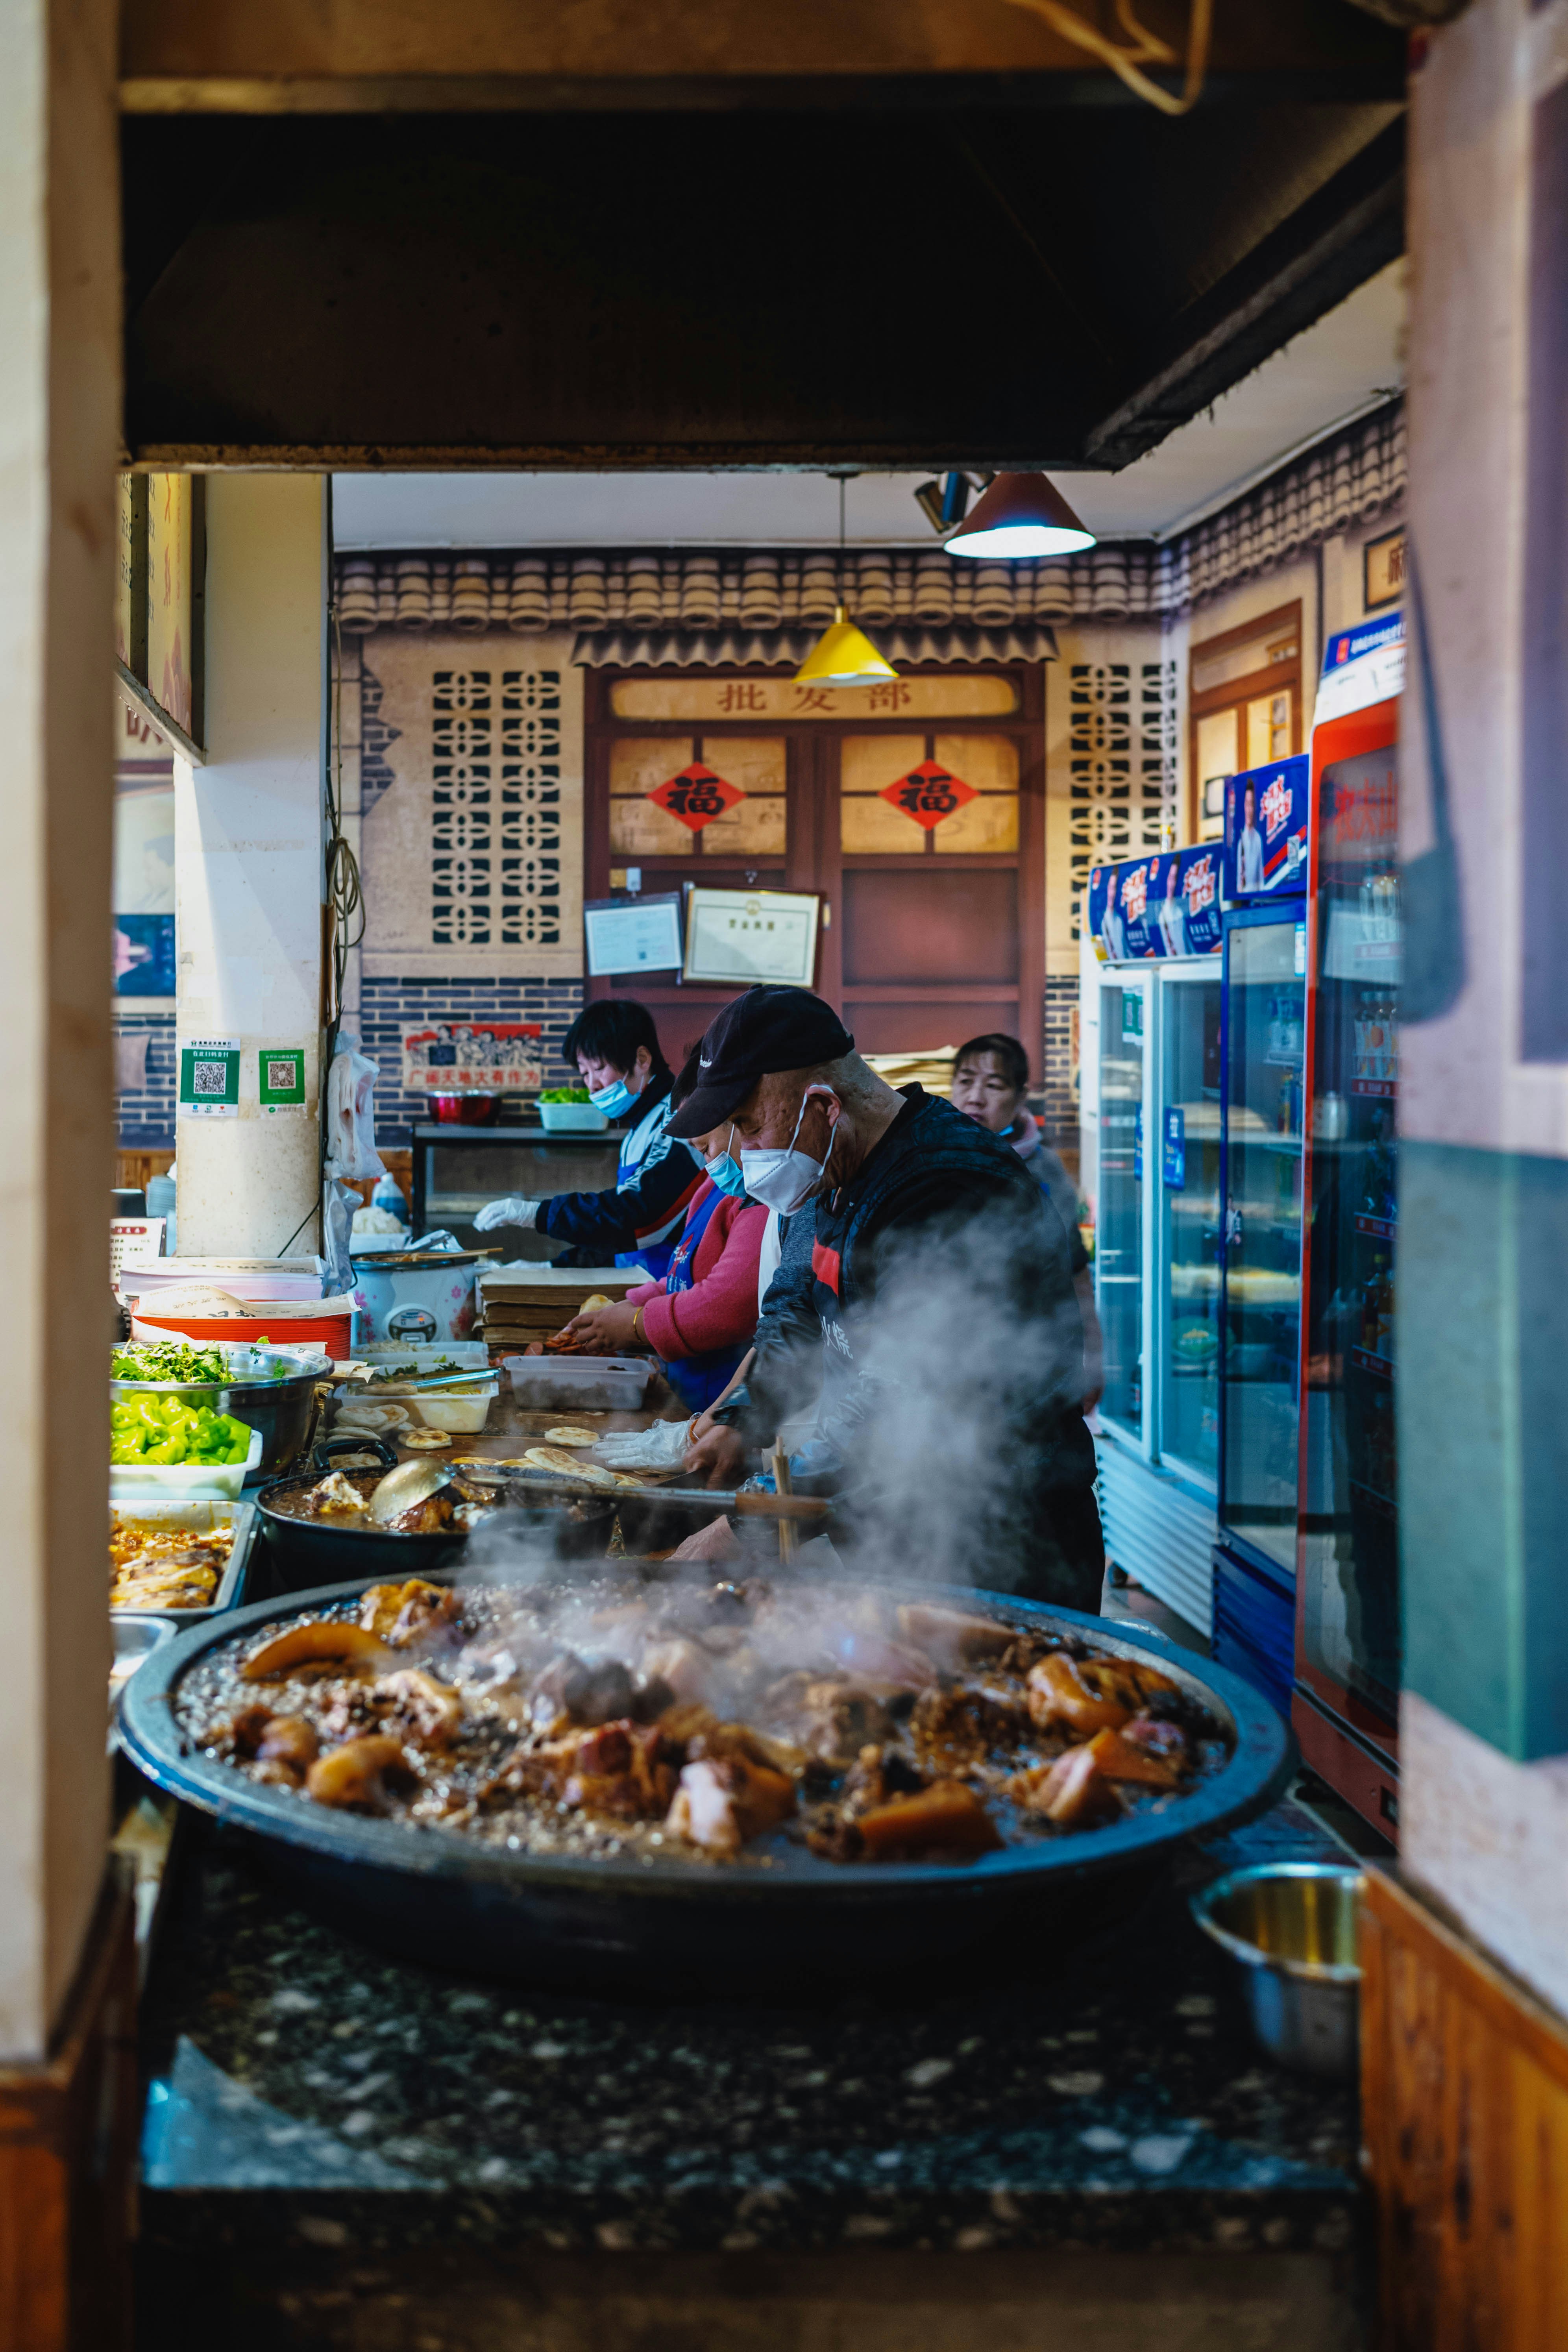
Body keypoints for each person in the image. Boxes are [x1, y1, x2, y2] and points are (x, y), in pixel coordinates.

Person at [676, 987, 1105, 1614]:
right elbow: (792, 1309)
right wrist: (742, 1417)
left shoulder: (950, 1189)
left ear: (822, 1104)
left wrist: (753, 1520)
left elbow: (905, 1404)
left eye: (746, 1123)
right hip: (900, 1533)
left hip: (1002, 1549)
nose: (740, 1151)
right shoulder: (830, 1164)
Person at [556, 1060, 769, 1413]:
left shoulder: (760, 1200)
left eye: (704, 1147)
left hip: (727, 1405)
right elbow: (680, 1279)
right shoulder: (709, 1189)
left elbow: (726, 1305)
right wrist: (627, 1307)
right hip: (685, 1390)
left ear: (738, 1122)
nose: (706, 1162)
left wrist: (637, 1325)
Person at [473, 1000, 702, 1277]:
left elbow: (641, 1214)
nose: (592, 1084)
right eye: (584, 1073)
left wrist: (538, 1214)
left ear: (642, 1060)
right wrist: (553, 1267)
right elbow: (616, 1236)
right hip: (637, 1285)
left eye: (599, 1068)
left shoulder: (676, 1119)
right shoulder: (639, 1126)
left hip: (670, 1288)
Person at [949, 1033, 1103, 1414]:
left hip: (1032, 1360)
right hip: (949, 1359)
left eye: (995, 1085)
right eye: (966, 1082)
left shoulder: (1044, 1170)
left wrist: (1092, 1358)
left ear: (1020, 1099)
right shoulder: (932, 1162)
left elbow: (1076, 1272)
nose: (976, 1097)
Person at [1236, 778, 1265, 892]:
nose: (1249, 810)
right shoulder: (1240, 840)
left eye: (1252, 805)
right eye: (1247, 804)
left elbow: (1261, 876)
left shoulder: (1258, 839)